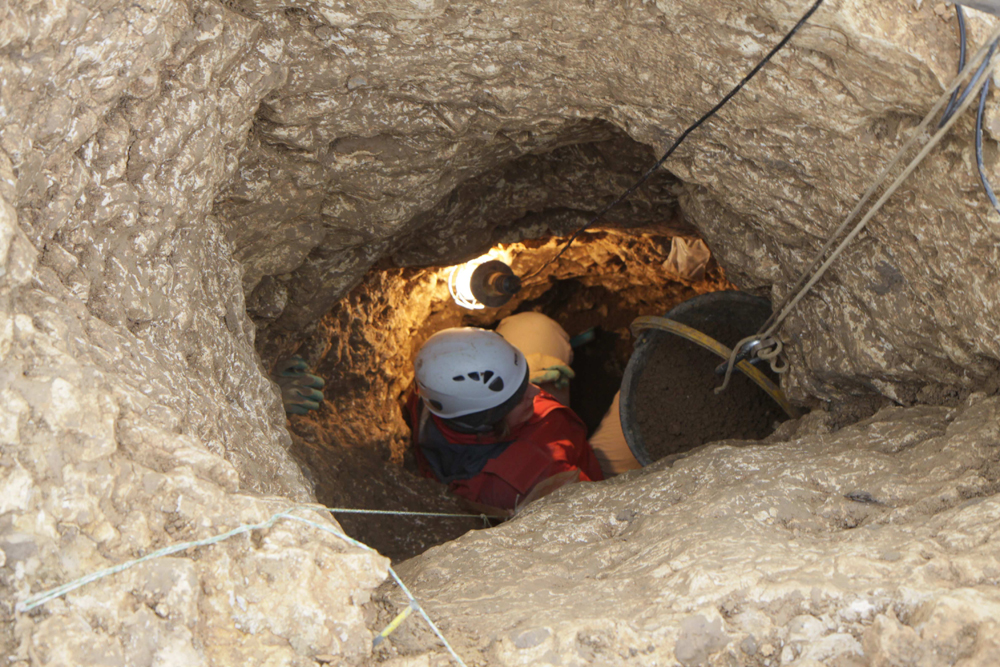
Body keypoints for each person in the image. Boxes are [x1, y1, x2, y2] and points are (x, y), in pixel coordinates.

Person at [407, 326, 604, 514]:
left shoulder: (438, 392)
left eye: (525, 383)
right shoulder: (531, 479)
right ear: (489, 420)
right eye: (518, 398)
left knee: (536, 326)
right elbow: (598, 508)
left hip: (555, 432)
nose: (535, 390)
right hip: (590, 470)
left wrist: (515, 379)